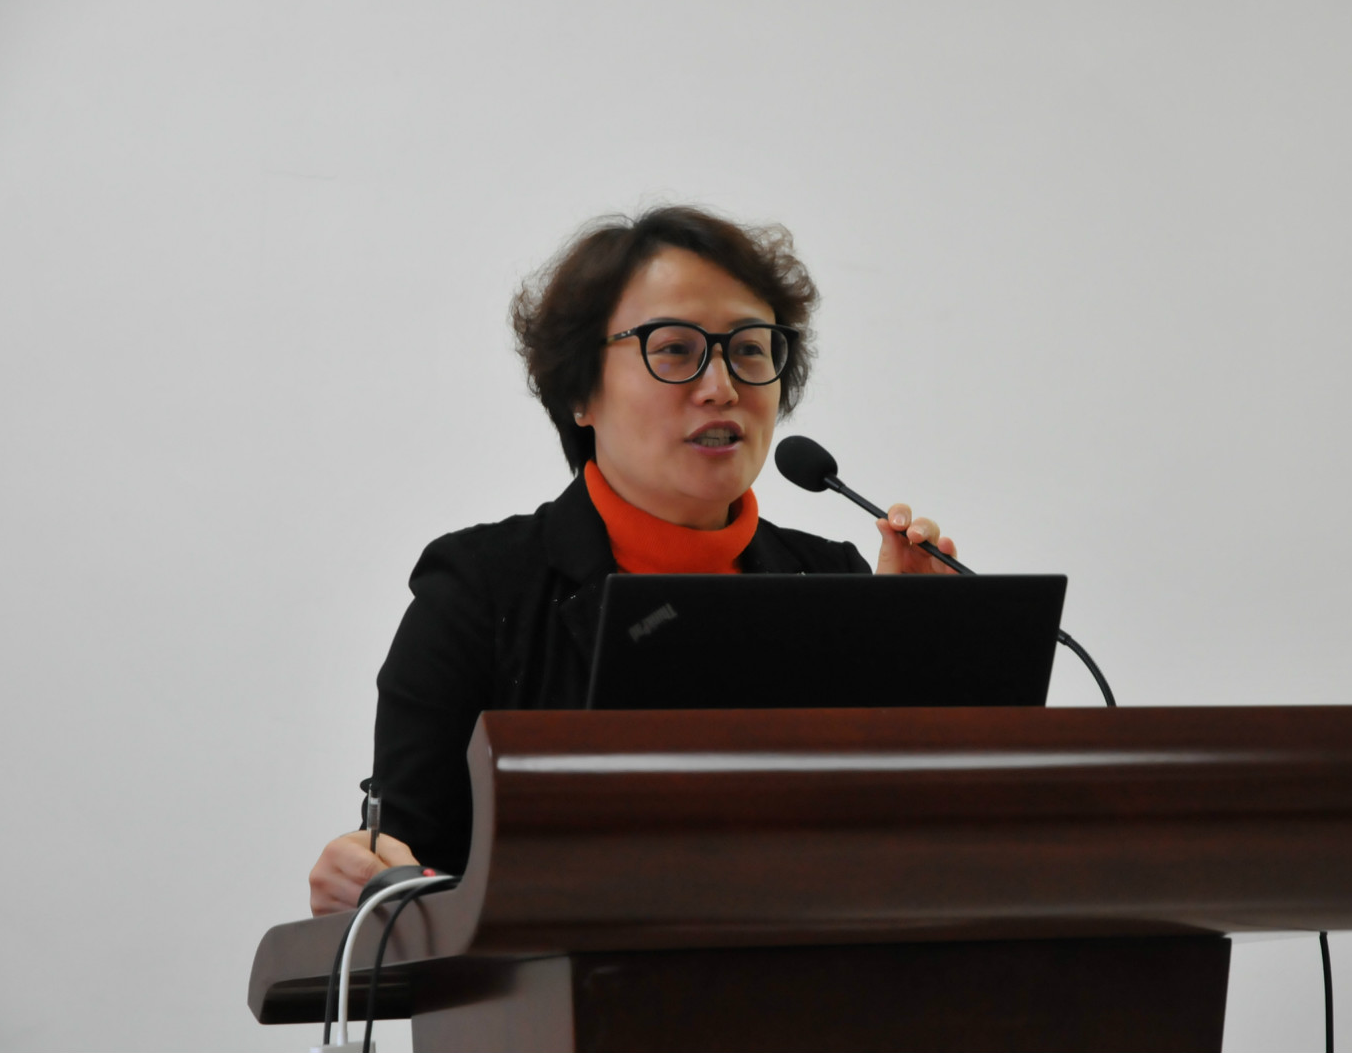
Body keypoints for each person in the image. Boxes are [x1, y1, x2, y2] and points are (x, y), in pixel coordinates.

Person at [308, 206, 958, 915]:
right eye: (675, 349)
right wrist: (365, 880)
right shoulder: (479, 592)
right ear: (580, 392)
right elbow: (405, 866)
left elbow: (914, 849)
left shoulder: (836, 585)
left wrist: (921, 656)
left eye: (749, 348)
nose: (722, 387)